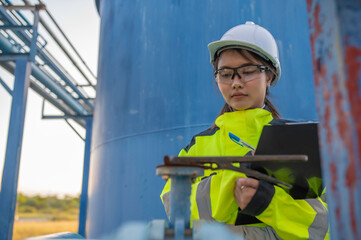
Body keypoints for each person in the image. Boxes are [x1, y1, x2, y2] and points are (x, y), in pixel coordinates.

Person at [161, 21, 328, 239]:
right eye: (225, 73)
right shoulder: (197, 147)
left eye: (247, 71)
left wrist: (268, 203)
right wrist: (232, 179)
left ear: (269, 77)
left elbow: (324, 226)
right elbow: (176, 209)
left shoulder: (299, 140)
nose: (236, 83)